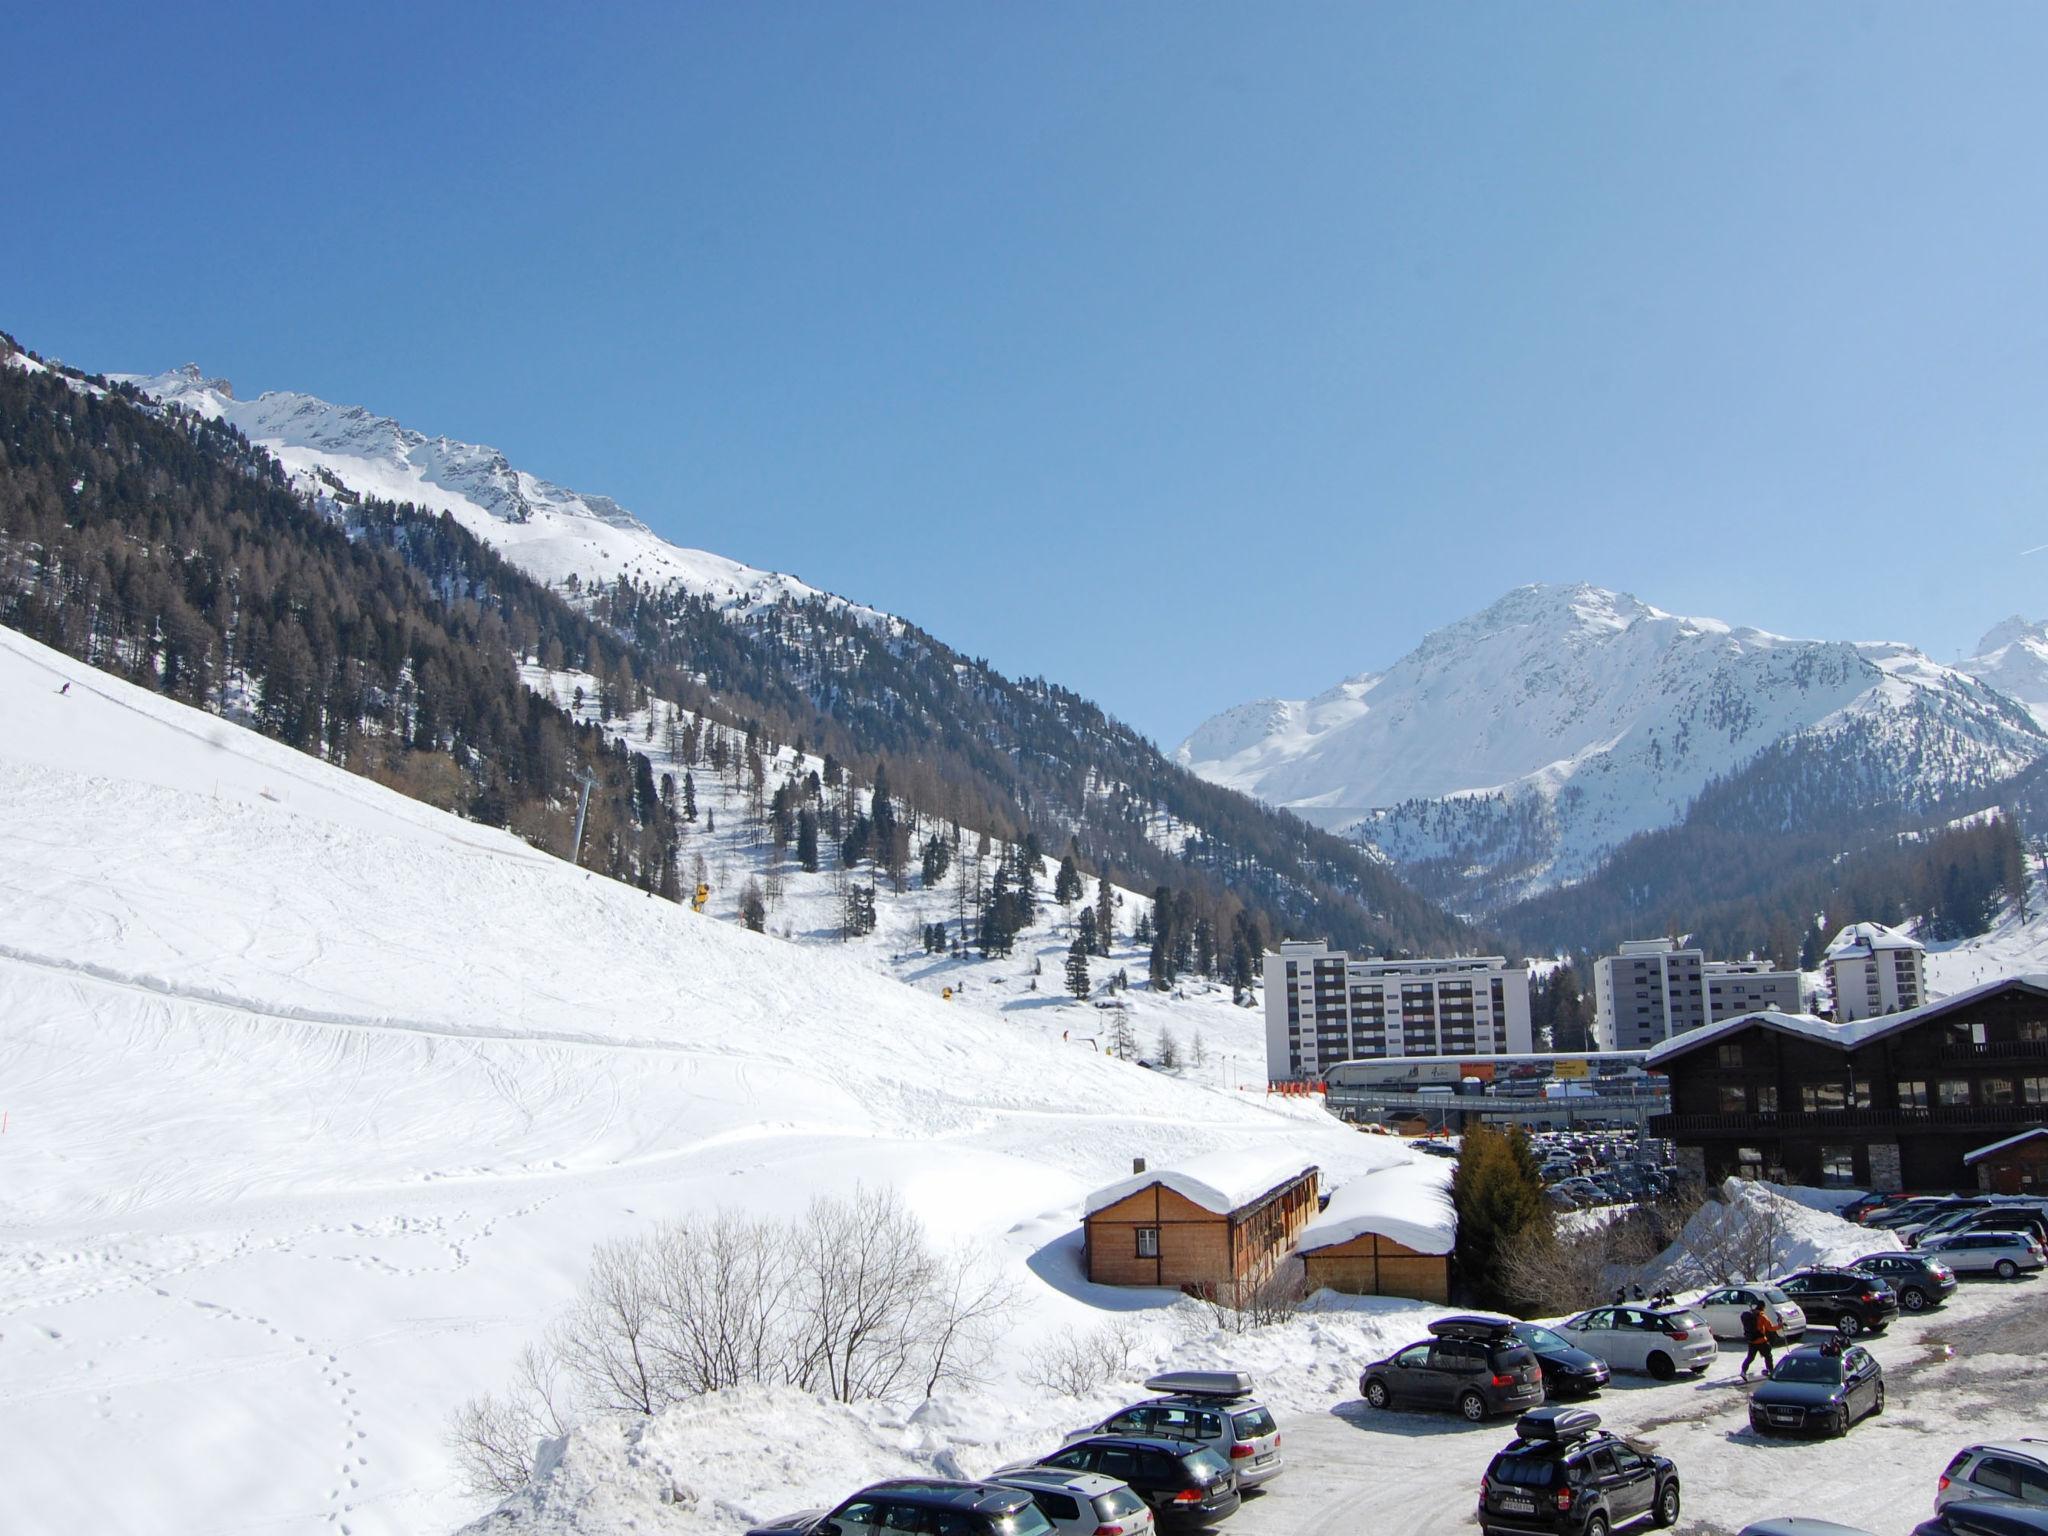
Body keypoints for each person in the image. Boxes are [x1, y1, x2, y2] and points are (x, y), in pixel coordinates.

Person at [1739, 1304, 1780, 1380]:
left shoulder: (1750, 1316)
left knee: (1750, 1357)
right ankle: (1770, 1370)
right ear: (1763, 1308)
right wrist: (1780, 1326)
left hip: (1751, 1341)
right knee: (1768, 1356)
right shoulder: (1762, 1316)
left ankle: (1743, 1371)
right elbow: (1770, 1328)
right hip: (1761, 1341)